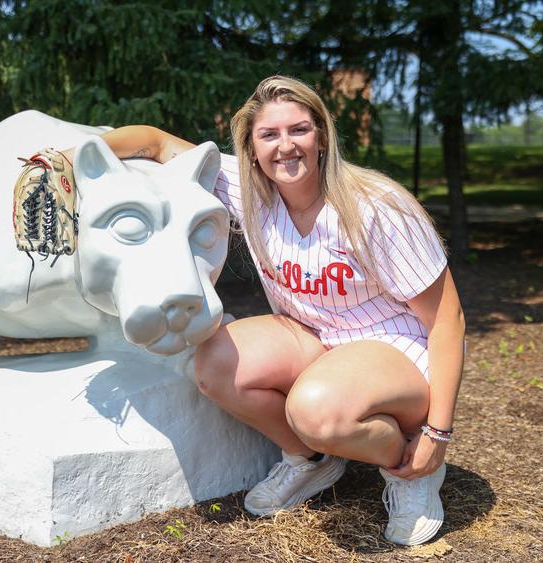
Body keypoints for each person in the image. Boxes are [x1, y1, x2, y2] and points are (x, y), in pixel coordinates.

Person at [72, 75, 465, 546]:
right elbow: (153, 142)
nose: (286, 146)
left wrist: (437, 434)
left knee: (317, 411)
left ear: (321, 136)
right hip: (314, 337)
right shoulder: (246, 188)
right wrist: (67, 160)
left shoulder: (375, 207)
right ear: (250, 148)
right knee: (215, 363)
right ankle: (311, 461)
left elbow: (448, 321)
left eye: (299, 130)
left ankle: (408, 467)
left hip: (394, 348)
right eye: (269, 135)